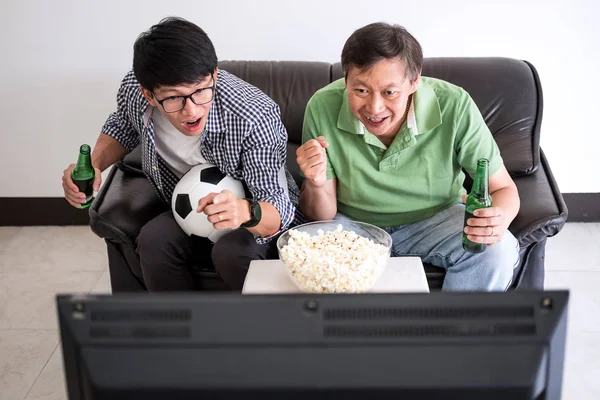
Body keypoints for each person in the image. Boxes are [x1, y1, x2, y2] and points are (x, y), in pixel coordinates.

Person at [61, 17, 302, 291]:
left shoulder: (253, 114)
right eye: (174, 97)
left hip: (251, 210)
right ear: (149, 94)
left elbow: (278, 207)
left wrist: (245, 211)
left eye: (200, 91)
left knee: (230, 253)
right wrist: (95, 164)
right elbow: (123, 125)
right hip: (185, 207)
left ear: (214, 74)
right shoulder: (134, 90)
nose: (192, 110)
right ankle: (180, 330)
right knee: (154, 240)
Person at [296, 22, 520, 291]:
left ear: (414, 82)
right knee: (306, 251)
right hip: (353, 226)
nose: (374, 108)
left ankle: (454, 332)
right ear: (346, 81)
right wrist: (317, 183)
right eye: (360, 90)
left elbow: (504, 188)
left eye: (389, 92)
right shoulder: (321, 106)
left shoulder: (455, 104)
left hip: (437, 219)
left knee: (498, 249)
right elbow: (321, 214)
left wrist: (498, 219)